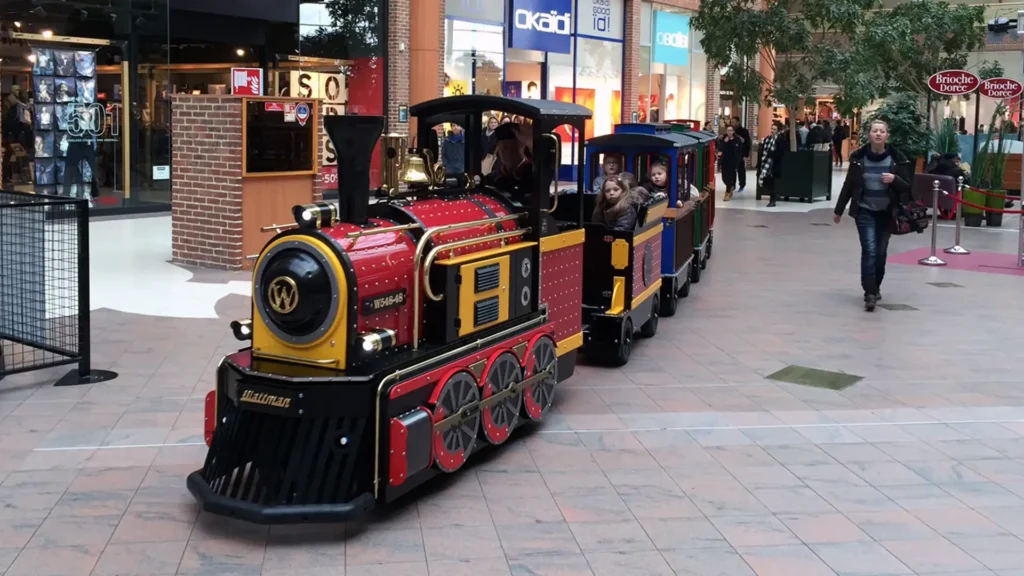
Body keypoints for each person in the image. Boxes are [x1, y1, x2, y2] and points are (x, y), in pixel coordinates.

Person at [832, 119, 912, 312]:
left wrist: (895, 179)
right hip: (865, 210)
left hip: (887, 212)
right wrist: (839, 210)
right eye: (874, 131)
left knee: (881, 252)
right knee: (869, 250)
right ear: (869, 134)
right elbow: (849, 185)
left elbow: (909, 187)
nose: (878, 134)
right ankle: (869, 292)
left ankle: (875, 286)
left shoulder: (897, 159)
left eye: (882, 131)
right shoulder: (859, 159)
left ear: (887, 136)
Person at [717, 125, 744, 201]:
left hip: (733, 161)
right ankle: (731, 186)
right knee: (724, 178)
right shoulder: (723, 139)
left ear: (733, 132)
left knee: (729, 177)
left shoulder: (737, 140)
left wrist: (739, 161)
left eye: (731, 130)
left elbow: (739, 151)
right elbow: (720, 149)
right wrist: (725, 142)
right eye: (728, 130)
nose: (729, 132)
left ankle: (727, 193)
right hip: (725, 161)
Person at [757, 123, 781, 207]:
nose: (772, 131)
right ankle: (774, 195)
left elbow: (780, 152)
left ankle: (773, 199)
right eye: (772, 128)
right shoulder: (767, 138)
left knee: (771, 181)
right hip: (765, 162)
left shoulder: (779, 139)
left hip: (773, 164)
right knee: (764, 180)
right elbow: (763, 150)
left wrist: (773, 154)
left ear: (778, 130)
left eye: (774, 129)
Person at [732, 116, 751, 192]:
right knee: (732, 170)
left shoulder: (744, 131)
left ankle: (742, 185)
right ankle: (732, 185)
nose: (732, 123)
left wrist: (746, 155)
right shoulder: (731, 131)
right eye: (731, 122)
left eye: (733, 122)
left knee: (741, 170)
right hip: (733, 154)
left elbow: (748, 143)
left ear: (737, 122)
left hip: (741, 154)